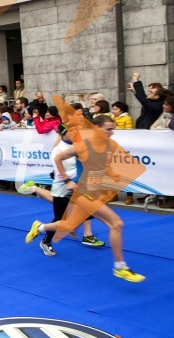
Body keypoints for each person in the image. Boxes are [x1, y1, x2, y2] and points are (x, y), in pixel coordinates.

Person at [24, 115, 145, 282]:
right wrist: (66, 180)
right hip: (83, 193)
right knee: (116, 224)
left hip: (94, 192)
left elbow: (104, 165)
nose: (112, 133)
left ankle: (40, 228)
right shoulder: (82, 146)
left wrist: (113, 175)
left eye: (113, 129)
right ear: (96, 128)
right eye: (108, 129)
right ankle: (120, 267)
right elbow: (58, 158)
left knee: (69, 224)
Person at [18, 124, 106, 255]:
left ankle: (79, 231)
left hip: (76, 187)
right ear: (64, 133)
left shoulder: (77, 146)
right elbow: (59, 172)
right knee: (60, 219)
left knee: (85, 212)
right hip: (62, 188)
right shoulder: (58, 150)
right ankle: (45, 239)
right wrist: (70, 180)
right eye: (72, 132)